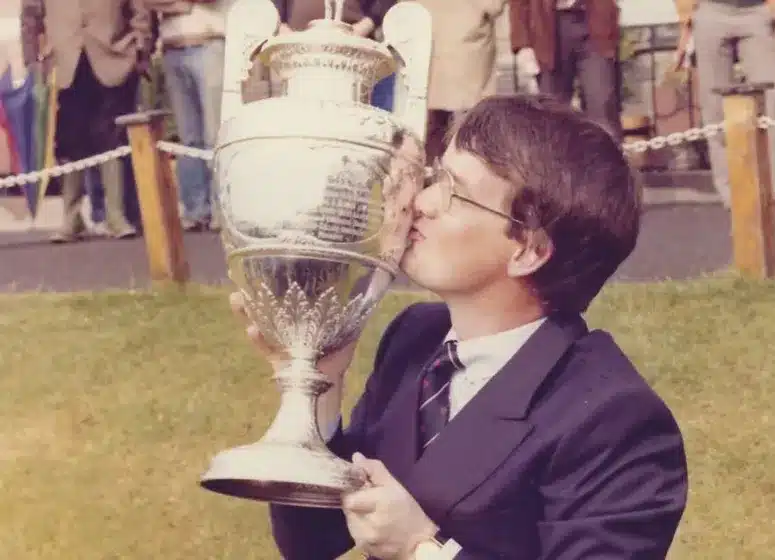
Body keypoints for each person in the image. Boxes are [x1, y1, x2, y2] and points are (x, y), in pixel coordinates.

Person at [231, 94, 689, 559]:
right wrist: (320, 382)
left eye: (453, 191)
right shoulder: (415, 338)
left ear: (528, 250)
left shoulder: (611, 419)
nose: (421, 203)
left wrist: (422, 547)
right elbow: (313, 542)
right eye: (434, 176)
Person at [20, 0, 151, 242]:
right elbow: (30, 14)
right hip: (64, 62)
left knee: (113, 137)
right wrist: (31, 60)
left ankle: (116, 216)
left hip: (113, 58)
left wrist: (140, 46)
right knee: (70, 140)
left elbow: (139, 9)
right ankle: (71, 217)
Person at [673, 0, 775, 208]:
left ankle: (772, 190)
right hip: (711, 11)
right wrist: (686, 19)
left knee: (771, 107)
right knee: (715, 111)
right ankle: (732, 196)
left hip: (758, 10)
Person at [144, 0, 232, 232]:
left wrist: (173, 5)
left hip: (210, 42)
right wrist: (186, 5)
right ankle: (195, 210)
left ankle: (222, 210)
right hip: (172, 49)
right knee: (188, 138)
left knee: (216, 134)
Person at [510, 0, 622, 142]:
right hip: (547, 28)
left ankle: (608, 161)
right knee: (553, 110)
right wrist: (522, 44)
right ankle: (556, 162)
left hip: (593, 20)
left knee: (602, 103)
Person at [415, 0, 507, 163]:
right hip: (468, 48)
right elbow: (494, 6)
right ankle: (465, 174)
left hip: (431, 43)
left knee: (433, 121)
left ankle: (430, 171)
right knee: (473, 122)